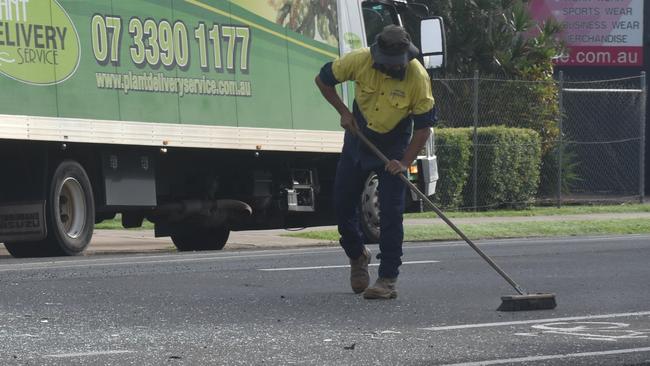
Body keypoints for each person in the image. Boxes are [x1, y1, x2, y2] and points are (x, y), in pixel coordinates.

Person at [315, 25, 436, 299]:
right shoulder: (359, 60)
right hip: (359, 138)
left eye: (396, 64)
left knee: (390, 213)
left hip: (394, 142)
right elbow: (322, 80)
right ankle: (358, 255)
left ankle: (387, 279)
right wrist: (344, 112)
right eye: (386, 63)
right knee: (342, 203)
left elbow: (423, 128)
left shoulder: (418, 77)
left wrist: (404, 162)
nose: (391, 68)